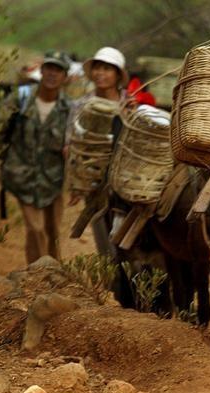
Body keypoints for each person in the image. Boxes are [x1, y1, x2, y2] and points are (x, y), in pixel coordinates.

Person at [0, 51, 72, 264]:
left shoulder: (69, 108)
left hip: (53, 179)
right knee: (35, 228)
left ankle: (54, 273)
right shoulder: (20, 97)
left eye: (58, 70)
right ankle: (37, 274)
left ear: (65, 76)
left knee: (53, 230)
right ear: (41, 71)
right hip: (22, 175)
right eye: (49, 68)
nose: (52, 74)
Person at [66, 46, 129, 256]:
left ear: (118, 75)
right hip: (94, 183)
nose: (101, 73)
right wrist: (76, 183)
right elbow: (71, 145)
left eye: (107, 69)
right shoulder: (81, 105)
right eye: (97, 68)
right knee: (105, 242)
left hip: (127, 182)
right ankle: (114, 283)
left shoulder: (130, 104)